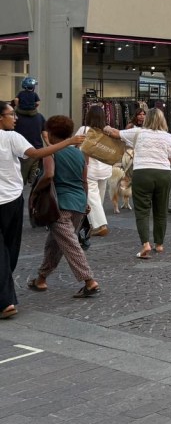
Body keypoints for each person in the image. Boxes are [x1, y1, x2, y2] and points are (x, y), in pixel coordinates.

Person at [1, 103, 86, 319]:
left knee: (8, 250)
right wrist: (70, 142)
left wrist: (36, 192)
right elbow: (37, 154)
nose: (15, 118)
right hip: (14, 199)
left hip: (22, 200)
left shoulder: (13, 137)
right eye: (11, 114)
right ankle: (9, 297)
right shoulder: (12, 138)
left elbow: (46, 168)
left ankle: (6, 295)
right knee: (13, 249)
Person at [25, 115, 100, 300]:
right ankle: (41, 278)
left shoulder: (50, 152)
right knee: (55, 242)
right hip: (78, 204)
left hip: (59, 205)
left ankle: (89, 281)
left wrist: (35, 191)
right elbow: (84, 181)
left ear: (50, 134)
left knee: (69, 243)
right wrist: (86, 202)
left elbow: (49, 175)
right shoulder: (79, 153)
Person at [105, 108, 171, 259]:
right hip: (163, 174)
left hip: (142, 173)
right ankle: (159, 244)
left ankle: (145, 244)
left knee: (142, 211)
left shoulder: (137, 132)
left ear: (147, 119)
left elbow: (115, 133)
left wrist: (105, 126)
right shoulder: (167, 136)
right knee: (160, 210)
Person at [75, 105, 112, 238]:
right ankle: (93, 221)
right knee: (99, 197)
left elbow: (75, 144)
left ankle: (99, 225)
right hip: (106, 168)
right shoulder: (108, 131)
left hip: (90, 169)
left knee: (93, 197)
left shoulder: (84, 129)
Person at [12, 103, 46, 187]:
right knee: (34, 181)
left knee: (19, 180)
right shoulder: (40, 117)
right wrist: (50, 146)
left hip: (20, 152)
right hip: (37, 149)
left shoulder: (15, 118)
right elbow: (45, 135)